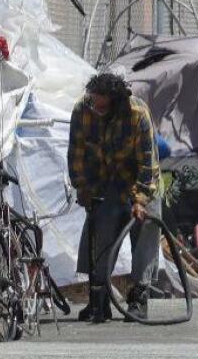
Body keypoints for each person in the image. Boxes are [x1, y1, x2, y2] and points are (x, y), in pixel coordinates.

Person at [68, 71, 161, 323]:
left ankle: (138, 297)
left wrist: (140, 200)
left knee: (146, 229)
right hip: (105, 183)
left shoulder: (137, 114)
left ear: (116, 104)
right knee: (101, 233)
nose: (96, 109)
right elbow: (76, 154)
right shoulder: (82, 110)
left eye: (102, 106)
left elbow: (148, 164)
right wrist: (83, 188)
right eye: (93, 103)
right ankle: (99, 298)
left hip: (140, 182)